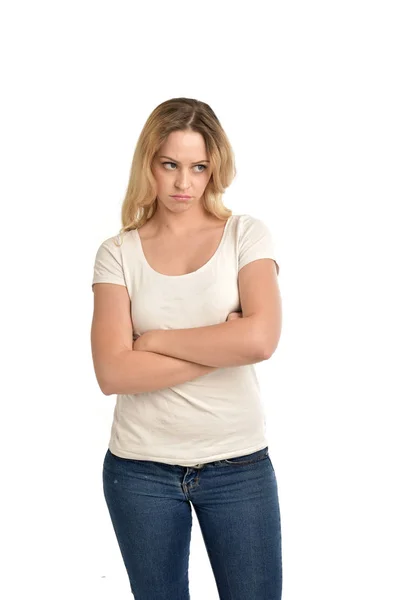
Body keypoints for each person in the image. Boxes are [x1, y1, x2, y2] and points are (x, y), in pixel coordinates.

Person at [91, 97, 283, 599]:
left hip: (238, 465)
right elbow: (113, 372)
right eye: (170, 165)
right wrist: (223, 344)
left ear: (214, 167)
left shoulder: (245, 236)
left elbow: (261, 340)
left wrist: (153, 344)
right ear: (148, 164)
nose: (183, 183)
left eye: (198, 167)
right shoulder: (117, 253)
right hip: (139, 470)